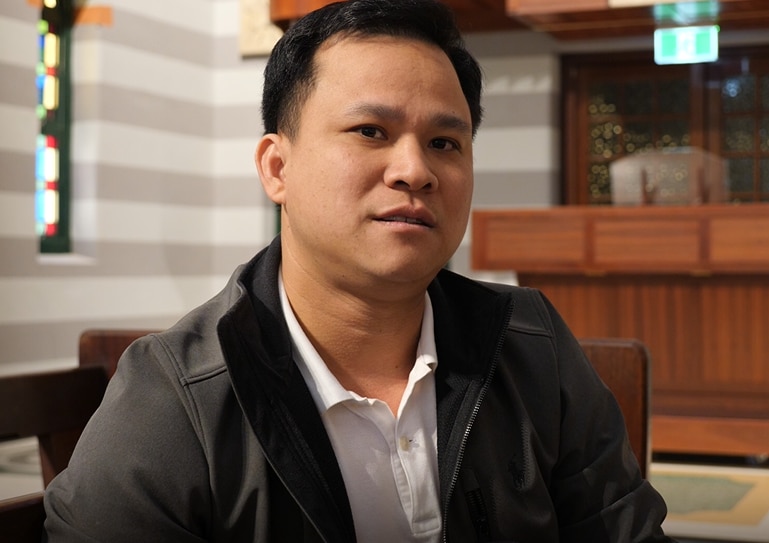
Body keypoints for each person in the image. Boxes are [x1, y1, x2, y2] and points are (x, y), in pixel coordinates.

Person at [43, 0, 675, 541]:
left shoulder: (533, 346)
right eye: (371, 130)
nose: (415, 170)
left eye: (445, 143)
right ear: (277, 168)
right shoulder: (176, 400)